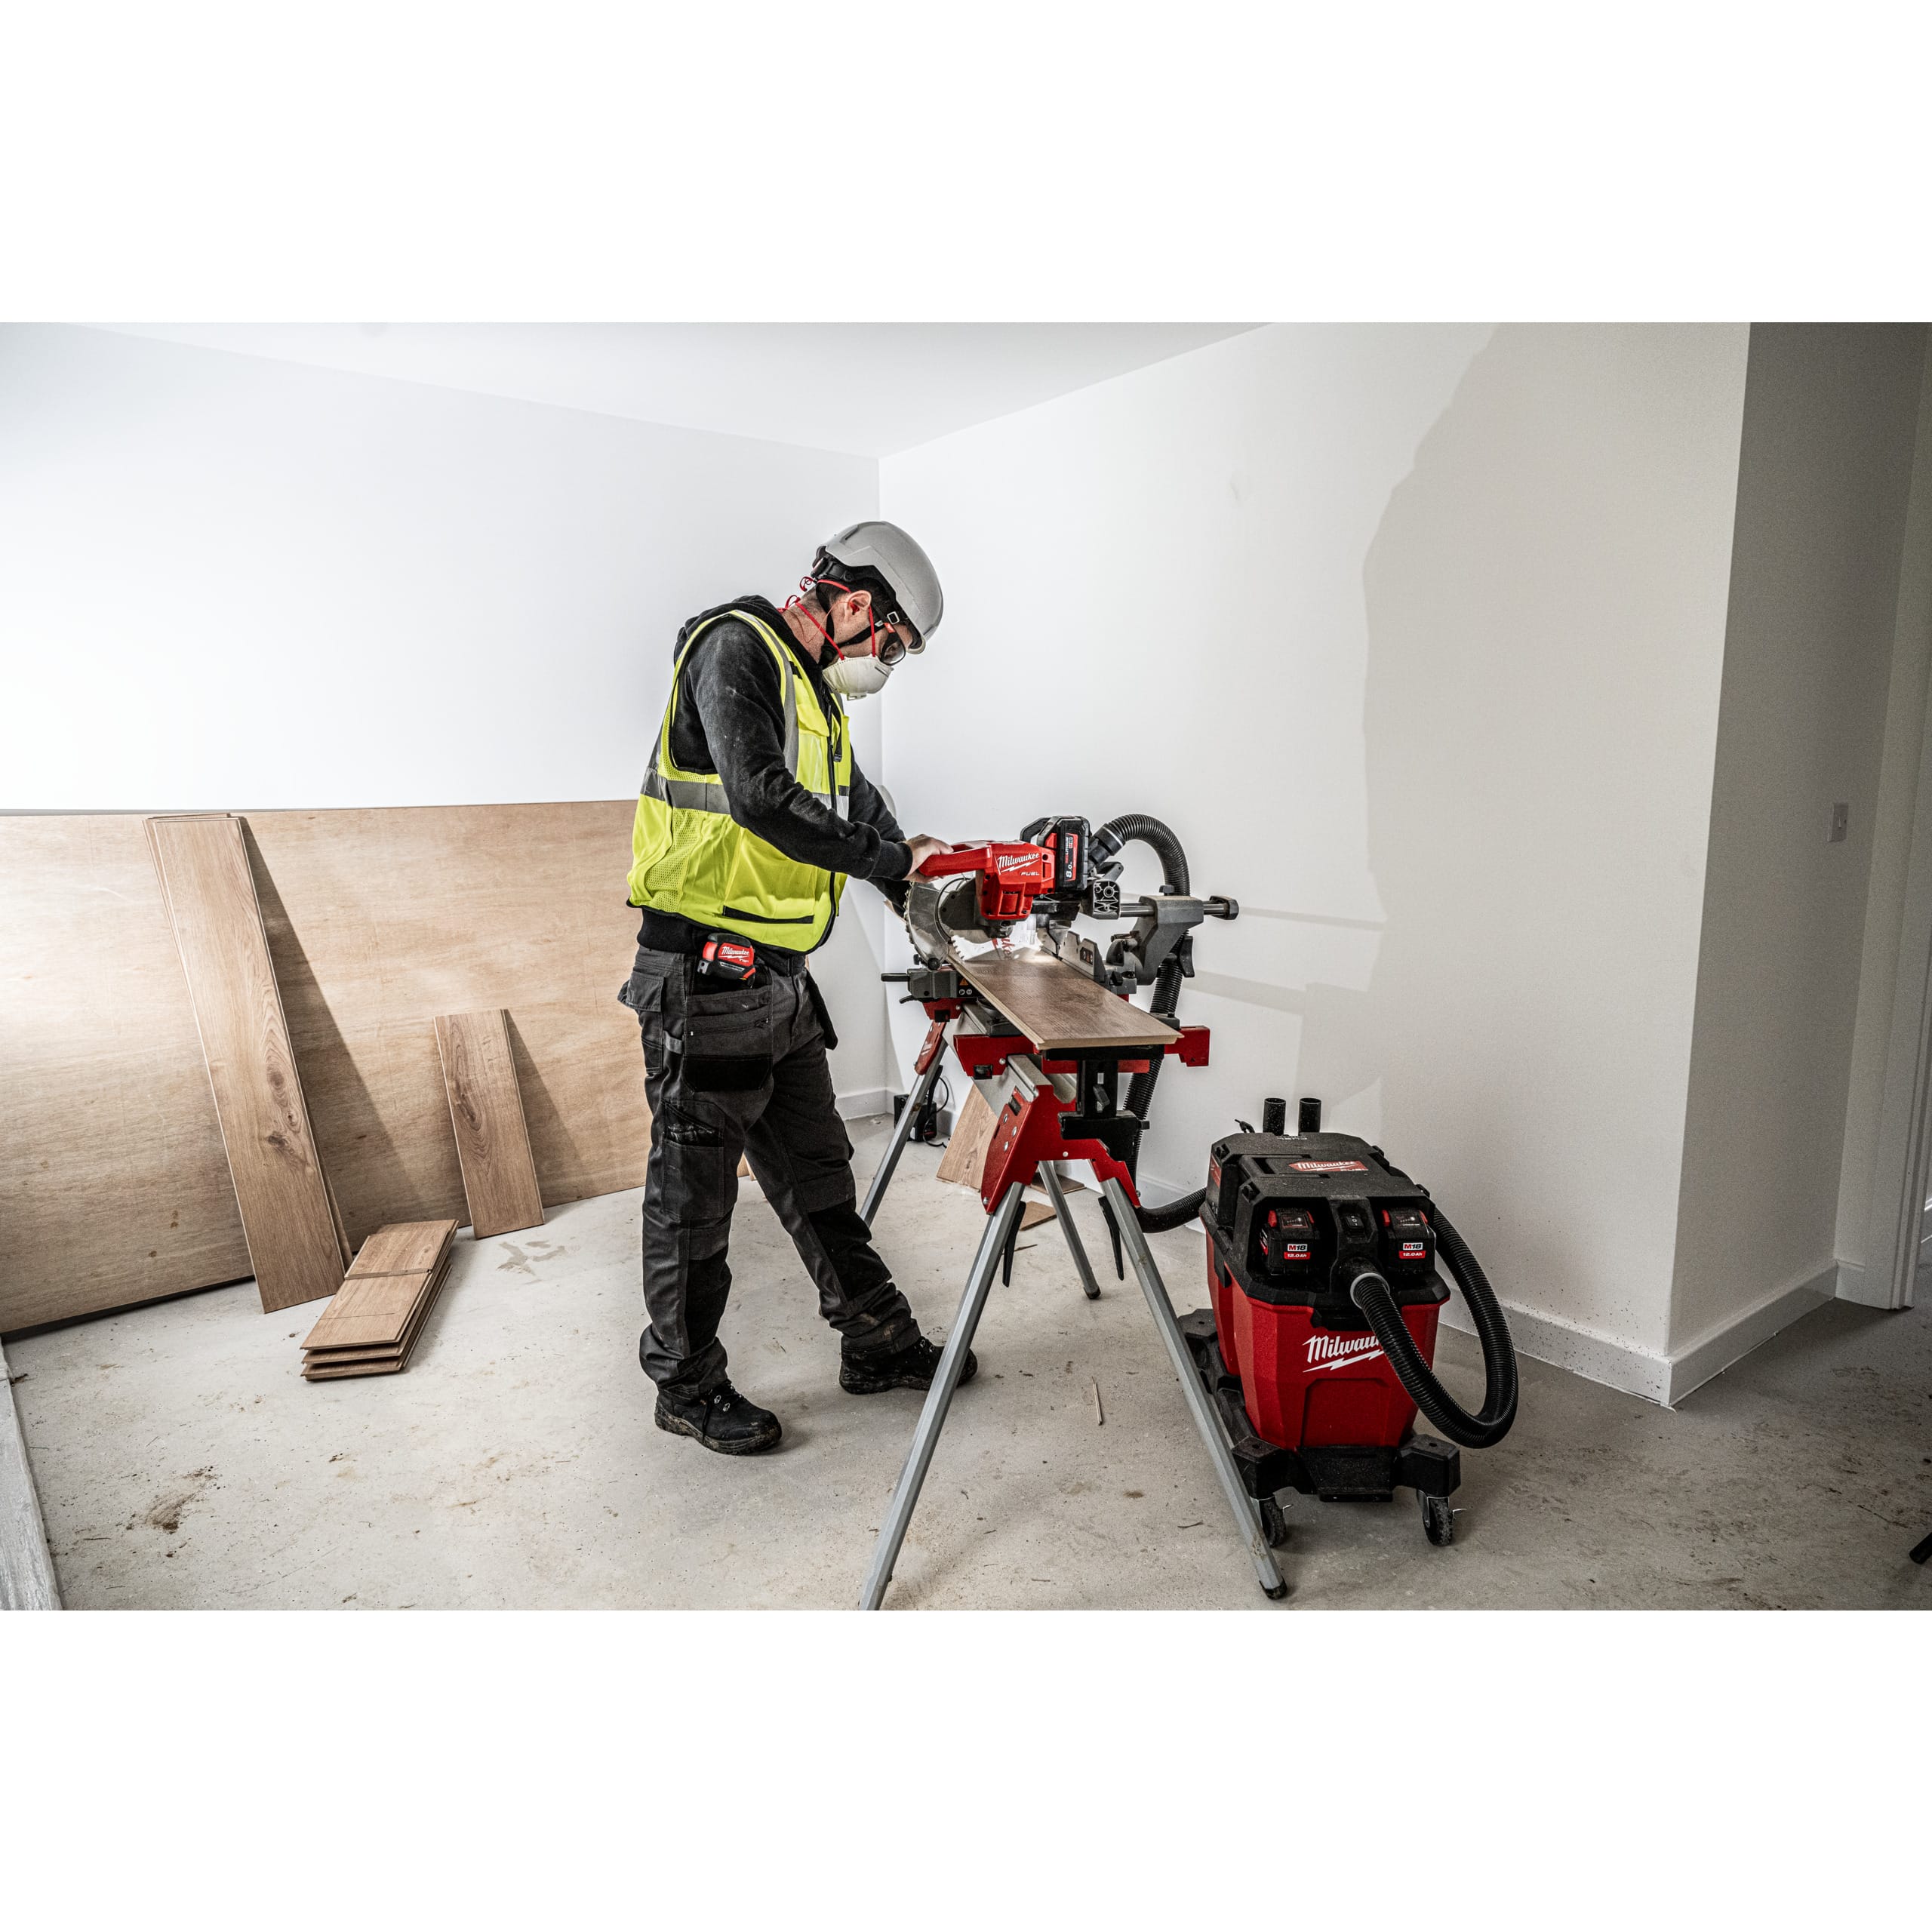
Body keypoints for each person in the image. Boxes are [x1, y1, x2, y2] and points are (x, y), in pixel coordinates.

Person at [619, 520, 968, 1456]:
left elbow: (863, 813)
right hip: (702, 980)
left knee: (820, 1177)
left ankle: (876, 1340)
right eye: (891, 643)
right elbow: (762, 797)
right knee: (693, 1204)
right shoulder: (735, 648)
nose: (885, 662)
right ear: (854, 604)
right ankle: (686, 1386)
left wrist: (924, 891)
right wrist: (891, 861)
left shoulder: (818, 701)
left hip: (778, 986)